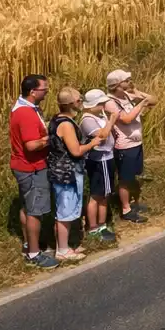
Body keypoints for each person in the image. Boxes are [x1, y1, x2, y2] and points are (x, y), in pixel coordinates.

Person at [47, 87, 114, 263]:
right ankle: (62, 249)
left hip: (65, 171)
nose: (81, 103)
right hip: (66, 173)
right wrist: (92, 144)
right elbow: (75, 151)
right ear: (70, 104)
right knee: (65, 212)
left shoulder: (59, 119)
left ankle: (68, 245)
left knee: (69, 210)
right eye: (78, 100)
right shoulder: (67, 125)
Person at [10, 74, 57, 268]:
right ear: (33, 92)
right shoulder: (27, 114)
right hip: (32, 167)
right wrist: (51, 138)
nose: (46, 92)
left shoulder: (23, 107)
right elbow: (31, 145)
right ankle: (34, 254)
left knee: (28, 207)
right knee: (35, 211)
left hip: (23, 166)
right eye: (44, 89)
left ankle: (30, 243)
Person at [104, 69, 154, 223]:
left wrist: (139, 93)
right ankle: (125, 209)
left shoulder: (126, 95)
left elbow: (154, 100)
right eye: (126, 80)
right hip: (124, 146)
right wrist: (141, 104)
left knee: (133, 175)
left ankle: (133, 203)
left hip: (136, 143)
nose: (129, 82)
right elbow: (126, 118)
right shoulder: (110, 102)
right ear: (117, 85)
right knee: (125, 179)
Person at [79, 90, 117, 244]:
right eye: (100, 103)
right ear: (92, 105)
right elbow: (102, 135)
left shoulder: (98, 115)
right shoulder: (87, 119)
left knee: (104, 193)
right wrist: (112, 120)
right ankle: (95, 227)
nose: (103, 106)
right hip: (99, 160)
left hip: (106, 158)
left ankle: (101, 224)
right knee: (97, 195)